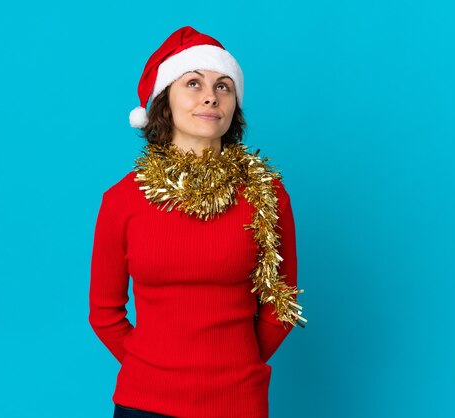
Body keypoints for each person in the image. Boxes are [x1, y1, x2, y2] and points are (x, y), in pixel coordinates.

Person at [89, 26, 306, 418]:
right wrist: (152, 368)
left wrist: (233, 366)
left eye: (224, 86)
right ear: (163, 102)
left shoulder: (267, 194)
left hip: (238, 402)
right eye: (193, 82)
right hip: (143, 403)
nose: (211, 95)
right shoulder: (122, 200)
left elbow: (281, 304)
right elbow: (105, 312)